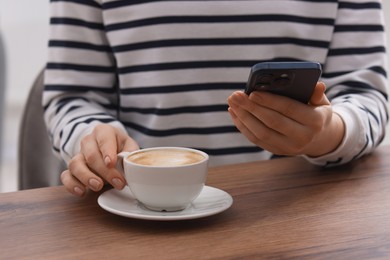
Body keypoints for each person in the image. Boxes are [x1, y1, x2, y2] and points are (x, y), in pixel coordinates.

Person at [43, 1, 389, 197]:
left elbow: (366, 95)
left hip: (294, 211)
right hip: (133, 209)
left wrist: (328, 136)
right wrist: (91, 138)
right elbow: (72, 96)